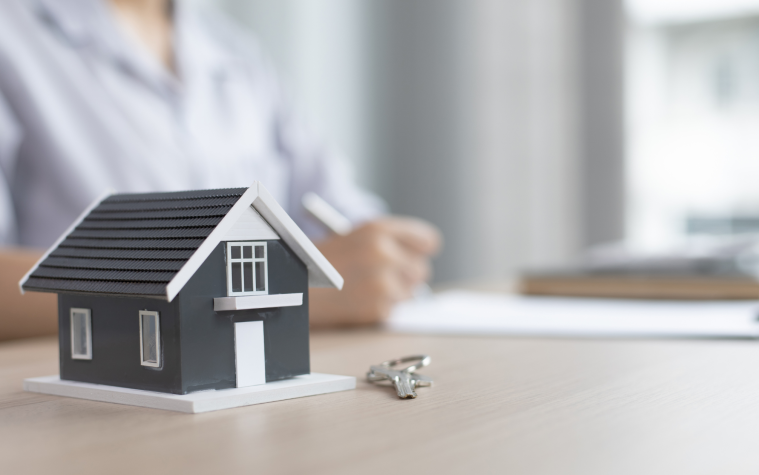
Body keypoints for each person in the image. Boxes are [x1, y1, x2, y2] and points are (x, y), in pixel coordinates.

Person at [0, 0, 441, 341]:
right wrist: (282, 293)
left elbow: (337, 212)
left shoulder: (233, 47)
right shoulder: (14, 34)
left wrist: (377, 257)